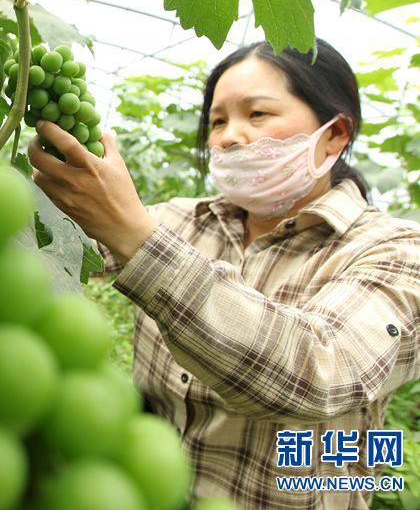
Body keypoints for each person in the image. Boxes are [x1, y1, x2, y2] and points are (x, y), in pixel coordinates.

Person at [28, 39, 420, 510]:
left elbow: (322, 370)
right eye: (217, 121)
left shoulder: (395, 250)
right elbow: (59, 248)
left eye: (257, 114)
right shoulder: (180, 220)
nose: (230, 136)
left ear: (335, 134)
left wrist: (136, 236)